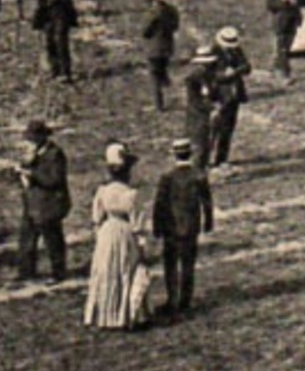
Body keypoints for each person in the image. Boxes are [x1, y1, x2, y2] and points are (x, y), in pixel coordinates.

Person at [84, 143, 150, 330]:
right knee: (125, 270)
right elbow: (138, 224)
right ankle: (124, 314)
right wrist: (142, 246)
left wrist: (100, 237)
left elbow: (96, 218)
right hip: (124, 233)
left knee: (105, 271)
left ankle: (103, 315)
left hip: (106, 233)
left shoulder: (102, 192)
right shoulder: (131, 194)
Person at [152, 138, 214, 317]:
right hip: (191, 227)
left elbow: (160, 204)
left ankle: (172, 299)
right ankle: (185, 301)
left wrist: (157, 227)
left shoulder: (168, 177)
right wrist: (208, 222)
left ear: (174, 155)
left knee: (170, 265)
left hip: (171, 227)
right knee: (188, 265)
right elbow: (207, 202)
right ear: (190, 153)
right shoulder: (199, 175)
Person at [16, 119, 70, 285]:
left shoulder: (55, 154)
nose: (29, 142)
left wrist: (32, 174)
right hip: (33, 204)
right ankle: (27, 272)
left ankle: (58, 272)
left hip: (50, 205)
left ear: (42, 137)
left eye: (32, 138)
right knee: (27, 240)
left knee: (52, 241)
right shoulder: (33, 154)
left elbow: (54, 180)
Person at [31, 0, 79, 81]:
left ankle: (66, 72)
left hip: (61, 9)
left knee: (61, 39)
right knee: (49, 40)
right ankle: (55, 70)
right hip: (45, 11)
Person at [209, 27, 252, 167]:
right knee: (214, 129)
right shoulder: (213, 52)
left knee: (228, 129)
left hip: (234, 95)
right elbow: (208, 75)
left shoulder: (236, 50)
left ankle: (221, 159)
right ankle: (206, 159)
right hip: (219, 95)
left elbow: (247, 67)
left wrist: (234, 71)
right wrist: (224, 75)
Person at [266, 0, 305, 82]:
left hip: (293, 20)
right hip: (280, 22)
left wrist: (295, 1)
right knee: (281, 48)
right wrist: (282, 2)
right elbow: (270, 5)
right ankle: (284, 72)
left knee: (286, 47)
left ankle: (276, 68)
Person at [141, 0, 180, 112]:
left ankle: (158, 105)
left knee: (154, 75)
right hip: (168, 46)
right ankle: (167, 86)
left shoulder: (153, 13)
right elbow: (175, 26)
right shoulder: (172, 10)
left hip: (154, 48)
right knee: (162, 69)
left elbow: (145, 31)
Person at [181, 46, 220, 167]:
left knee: (208, 144)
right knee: (200, 146)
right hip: (198, 116)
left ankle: (203, 169)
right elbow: (194, 101)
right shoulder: (192, 79)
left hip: (208, 115)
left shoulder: (208, 76)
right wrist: (211, 108)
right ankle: (197, 172)